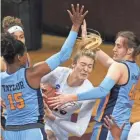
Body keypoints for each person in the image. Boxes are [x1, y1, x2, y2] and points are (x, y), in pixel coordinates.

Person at [1, 4, 88, 140]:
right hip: (30, 129)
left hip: (11, 130)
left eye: (22, 36)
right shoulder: (32, 73)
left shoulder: (5, 75)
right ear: (18, 56)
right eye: (15, 37)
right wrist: (75, 27)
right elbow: (63, 55)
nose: (20, 40)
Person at [47, 28, 140, 140]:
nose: (114, 49)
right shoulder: (135, 69)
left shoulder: (118, 67)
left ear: (129, 50)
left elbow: (102, 91)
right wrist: (90, 44)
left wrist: (70, 97)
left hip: (107, 125)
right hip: (122, 126)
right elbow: (108, 62)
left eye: (118, 46)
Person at [41, 49, 96, 140]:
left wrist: (52, 117)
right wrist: (38, 90)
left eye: (90, 66)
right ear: (74, 64)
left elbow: (79, 130)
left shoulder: (89, 93)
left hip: (59, 123)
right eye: (83, 65)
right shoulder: (58, 73)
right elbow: (32, 81)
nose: (86, 69)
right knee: (46, 135)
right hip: (39, 116)